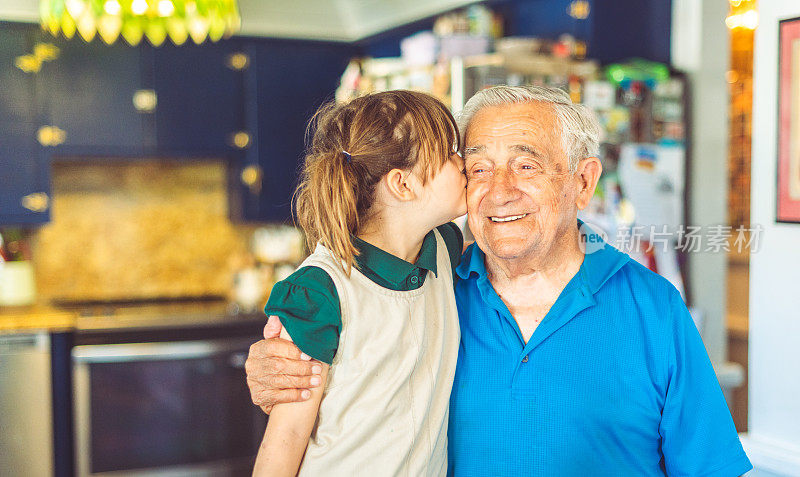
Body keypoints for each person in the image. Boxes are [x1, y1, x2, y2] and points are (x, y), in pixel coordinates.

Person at [246, 85, 753, 476]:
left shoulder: (653, 307)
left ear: (582, 182)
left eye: (526, 164)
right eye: (478, 167)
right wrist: (280, 365)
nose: (499, 191)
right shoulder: (436, 287)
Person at [251, 90, 467, 477]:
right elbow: (285, 439)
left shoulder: (445, 246)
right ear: (403, 185)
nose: (463, 162)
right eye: (449, 153)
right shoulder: (321, 290)